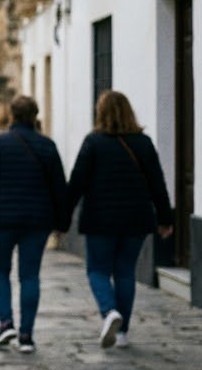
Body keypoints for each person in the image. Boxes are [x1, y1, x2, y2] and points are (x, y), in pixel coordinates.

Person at [67, 90, 174, 349]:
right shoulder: (143, 143)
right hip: (136, 219)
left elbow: (77, 183)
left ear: (100, 113)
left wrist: (61, 218)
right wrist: (165, 218)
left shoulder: (93, 142)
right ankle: (123, 332)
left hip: (100, 219)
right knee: (125, 272)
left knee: (97, 270)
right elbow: (157, 183)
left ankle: (109, 311)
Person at [0, 96, 68, 354]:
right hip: (37, 220)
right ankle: (27, 335)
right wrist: (63, 222)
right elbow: (59, 188)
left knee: (0, 270)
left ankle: (6, 322)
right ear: (35, 115)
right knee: (30, 275)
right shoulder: (47, 146)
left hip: (2, 218)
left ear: (12, 115)